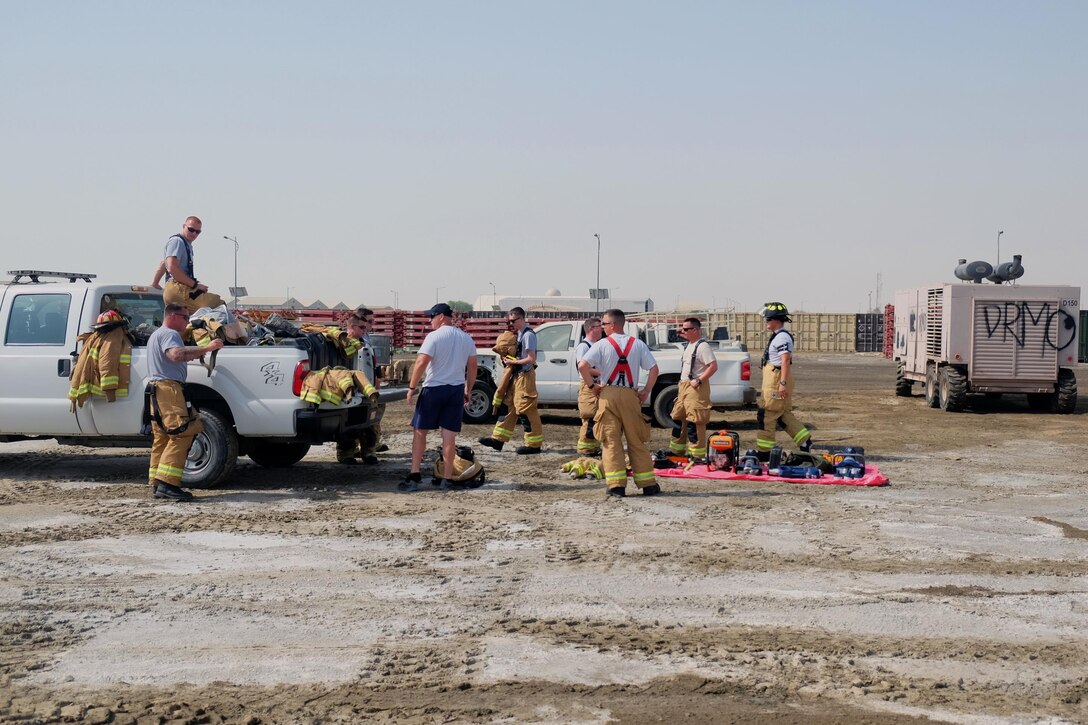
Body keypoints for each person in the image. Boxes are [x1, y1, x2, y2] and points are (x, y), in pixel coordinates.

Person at [578, 309, 660, 497]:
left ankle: (616, 486)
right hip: (631, 396)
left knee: (610, 441)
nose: (603, 328)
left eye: (604, 324)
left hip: (608, 396)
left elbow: (582, 366)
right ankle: (648, 484)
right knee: (636, 441)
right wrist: (646, 390)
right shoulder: (638, 344)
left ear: (613, 325)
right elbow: (654, 369)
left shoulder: (602, 345)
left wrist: (592, 387)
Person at [146, 303, 224, 501]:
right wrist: (207, 347)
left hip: (157, 390)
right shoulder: (170, 334)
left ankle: (157, 483)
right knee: (182, 433)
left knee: (163, 437)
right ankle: (168, 484)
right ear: (172, 316)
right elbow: (176, 355)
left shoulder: (157, 335)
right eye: (184, 317)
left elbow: (175, 356)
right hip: (169, 391)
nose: (186, 322)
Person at [401, 303, 478, 492]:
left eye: (432, 317)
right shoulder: (466, 338)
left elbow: (421, 362)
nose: (430, 321)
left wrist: (411, 387)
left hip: (434, 389)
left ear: (441, 316)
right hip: (456, 390)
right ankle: (447, 478)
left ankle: (415, 473)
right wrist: (468, 390)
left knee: (420, 431)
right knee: (449, 437)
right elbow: (473, 367)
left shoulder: (433, 337)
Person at [478, 306, 543, 454]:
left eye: (513, 320)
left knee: (526, 410)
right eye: (509, 321)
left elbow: (531, 359)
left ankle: (534, 445)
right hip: (517, 376)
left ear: (522, 318)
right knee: (508, 407)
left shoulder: (528, 335)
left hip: (525, 377)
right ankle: (497, 440)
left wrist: (512, 362)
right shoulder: (519, 334)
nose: (511, 324)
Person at [755, 302, 812, 458]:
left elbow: (785, 361)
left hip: (776, 380)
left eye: (768, 319)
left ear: (776, 320)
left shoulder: (781, 338)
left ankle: (764, 453)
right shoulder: (779, 336)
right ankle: (805, 441)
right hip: (775, 379)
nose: (766, 322)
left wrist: (782, 384)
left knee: (767, 414)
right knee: (782, 414)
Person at [151, 216, 229, 315]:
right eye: (191, 229)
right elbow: (171, 267)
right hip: (178, 288)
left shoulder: (185, 244)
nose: (194, 233)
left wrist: (155, 282)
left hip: (178, 289)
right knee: (218, 304)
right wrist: (195, 285)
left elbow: (164, 263)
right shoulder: (177, 241)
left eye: (197, 232)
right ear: (184, 226)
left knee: (186, 319)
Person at [335, 308, 382, 465]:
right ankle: (346, 453)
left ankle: (368, 452)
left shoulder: (365, 341)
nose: (367, 328)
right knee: (349, 423)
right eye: (362, 326)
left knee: (368, 422)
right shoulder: (341, 343)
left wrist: (377, 382)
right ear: (352, 327)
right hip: (349, 390)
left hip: (365, 388)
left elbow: (373, 364)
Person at [669, 317, 719, 460]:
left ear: (696, 330)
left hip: (695, 388)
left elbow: (713, 366)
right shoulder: (689, 345)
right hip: (684, 387)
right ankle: (676, 451)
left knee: (695, 420)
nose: (682, 331)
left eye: (686, 329)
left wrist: (699, 380)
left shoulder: (702, 347)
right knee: (678, 417)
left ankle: (696, 455)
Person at [574, 317, 604, 455]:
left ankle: (593, 447)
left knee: (596, 417)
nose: (602, 329)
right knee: (589, 416)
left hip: (596, 384)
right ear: (591, 329)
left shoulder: (596, 345)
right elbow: (582, 367)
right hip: (588, 385)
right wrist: (601, 371)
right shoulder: (584, 346)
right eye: (599, 326)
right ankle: (585, 448)